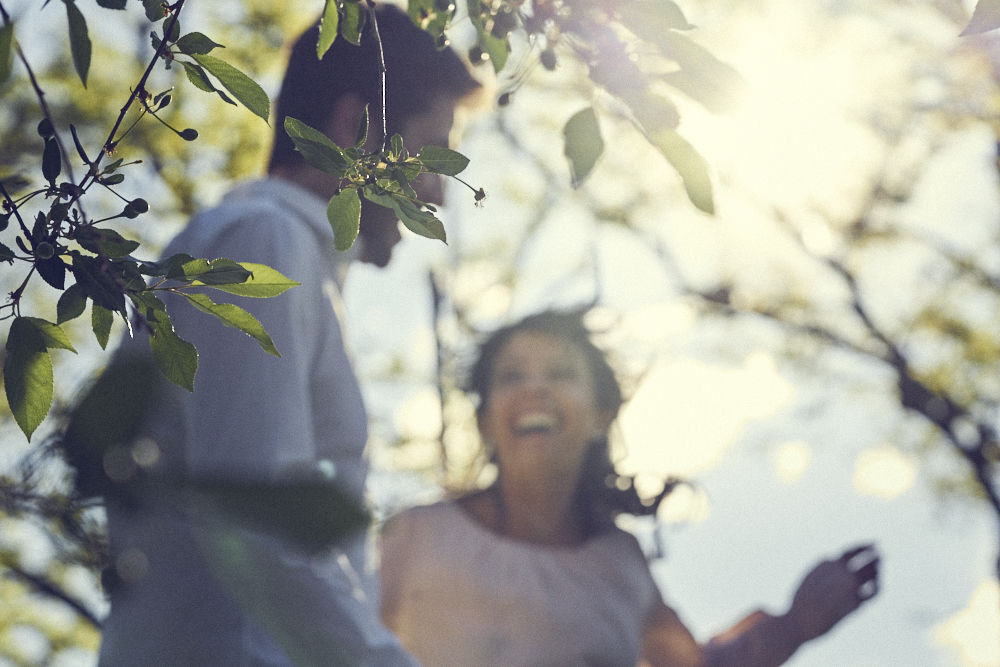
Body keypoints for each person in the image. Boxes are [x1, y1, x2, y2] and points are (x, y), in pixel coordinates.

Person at [96, 7, 480, 667]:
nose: (439, 191)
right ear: (356, 128)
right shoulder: (261, 243)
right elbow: (261, 520)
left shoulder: (284, 259)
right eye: (430, 150)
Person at [380, 310, 880, 667]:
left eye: (561, 373)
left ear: (600, 416)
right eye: (512, 376)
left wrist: (795, 623)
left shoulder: (621, 565)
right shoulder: (417, 536)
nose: (535, 388)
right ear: (486, 421)